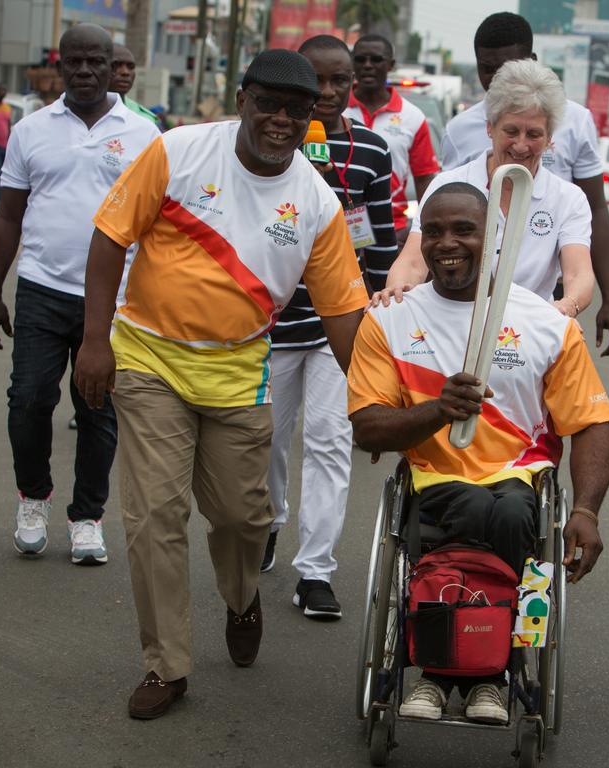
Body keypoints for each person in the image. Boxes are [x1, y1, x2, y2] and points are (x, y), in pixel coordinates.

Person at [74, 48, 368, 720]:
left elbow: (344, 314)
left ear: (311, 117)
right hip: (149, 357)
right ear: (243, 99)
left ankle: (242, 597)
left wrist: (375, 400)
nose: (281, 119)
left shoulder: (315, 203)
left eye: (297, 110)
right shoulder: (178, 152)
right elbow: (110, 238)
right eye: (268, 103)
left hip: (239, 371)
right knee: (154, 516)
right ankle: (165, 666)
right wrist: (95, 341)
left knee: (242, 518)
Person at [348, 182, 609, 723]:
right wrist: (435, 410)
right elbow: (368, 428)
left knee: (510, 509)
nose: (449, 243)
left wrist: (585, 510)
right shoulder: (389, 321)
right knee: (472, 508)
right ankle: (453, 672)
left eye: (465, 229)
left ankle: (483, 675)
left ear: (494, 235)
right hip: (432, 477)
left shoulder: (546, 324)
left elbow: (590, 425)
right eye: (436, 231)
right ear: (420, 241)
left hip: (520, 476)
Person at [0, 23, 160, 566]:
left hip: (114, 298)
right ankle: (33, 498)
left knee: (99, 409)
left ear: (113, 66)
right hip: (40, 287)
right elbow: (7, 216)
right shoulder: (31, 129)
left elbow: (157, 224)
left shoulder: (144, 134)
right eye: (74, 61)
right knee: (29, 399)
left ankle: (86, 517)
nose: (84, 71)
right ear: (60, 66)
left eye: (95, 62)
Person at [261, 35, 396, 620]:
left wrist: (383, 319)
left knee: (329, 442)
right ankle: (266, 520)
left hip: (340, 327)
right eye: (318, 81)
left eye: (341, 81)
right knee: (264, 440)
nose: (330, 92)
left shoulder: (371, 149)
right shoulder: (269, 145)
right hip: (269, 326)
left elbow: (383, 246)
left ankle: (315, 570)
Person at [434, 12, 609, 356]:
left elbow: (595, 208)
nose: (498, 78)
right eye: (487, 68)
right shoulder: (459, 129)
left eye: (534, 134)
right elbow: (437, 217)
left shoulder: (574, 121)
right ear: (491, 129)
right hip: (466, 298)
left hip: (545, 279)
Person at [374, 59, 594, 318]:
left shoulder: (568, 199)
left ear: (549, 139)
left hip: (528, 330)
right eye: (511, 131)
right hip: (450, 322)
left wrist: (567, 306)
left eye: (534, 135)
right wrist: (400, 291)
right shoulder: (449, 185)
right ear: (490, 127)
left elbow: (578, 272)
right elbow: (412, 261)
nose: (521, 146)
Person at [344, 34, 439, 247]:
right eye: (360, 59)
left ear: (391, 65)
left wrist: (422, 231)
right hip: (336, 226)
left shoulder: (412, 117)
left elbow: (424, 179)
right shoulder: (336, 109)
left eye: (376, 59)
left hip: (391, 227)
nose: (367, 65)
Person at [110, 44, 158, 123]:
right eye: (117, 65)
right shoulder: (85, 114)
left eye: (131, 67)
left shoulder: (146, 119)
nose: (125, 72)